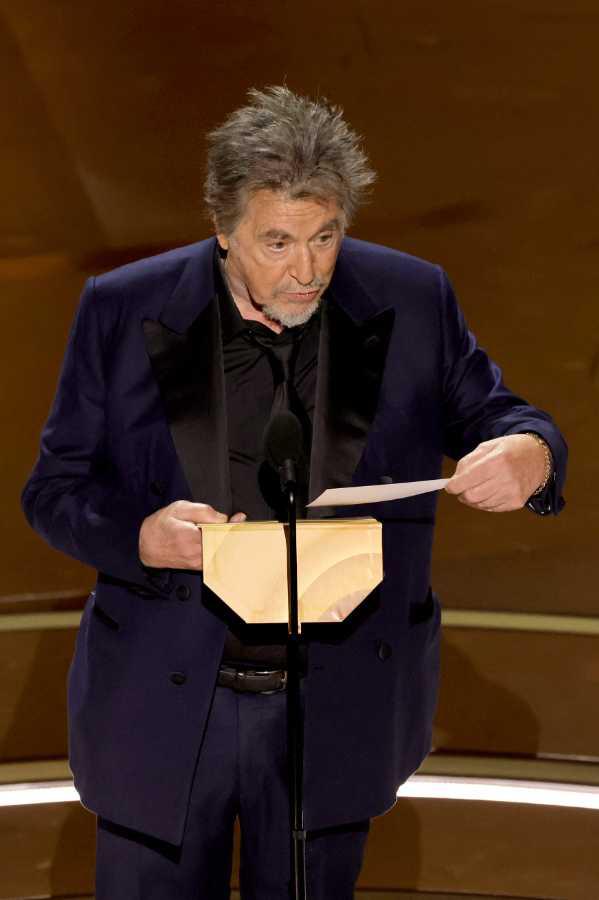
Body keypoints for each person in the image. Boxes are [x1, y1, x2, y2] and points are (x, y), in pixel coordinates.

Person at [22, 86, 567, 899]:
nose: (306, 270)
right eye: (276, 242)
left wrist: (531, 453)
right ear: (222, 229)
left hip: (334, 709)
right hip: (165, 709)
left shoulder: (411, 297)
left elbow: (503, 417)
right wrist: (138, 537)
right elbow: (55, 488)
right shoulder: (122, 307)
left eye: (324, 237)